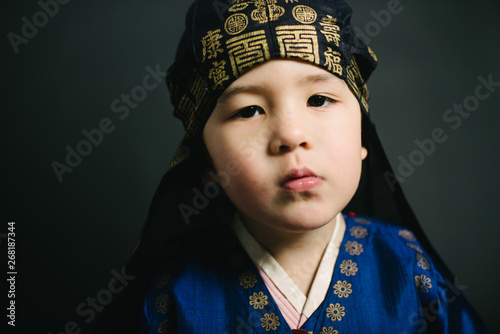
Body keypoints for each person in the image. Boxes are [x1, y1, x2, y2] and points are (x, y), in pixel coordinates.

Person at [93, 0, 489, 333]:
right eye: (248, 110)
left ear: (363, 138)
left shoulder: (408, 268)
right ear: (206, 162)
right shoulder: (173, 295)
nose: (291, 135)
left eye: (319, 99)